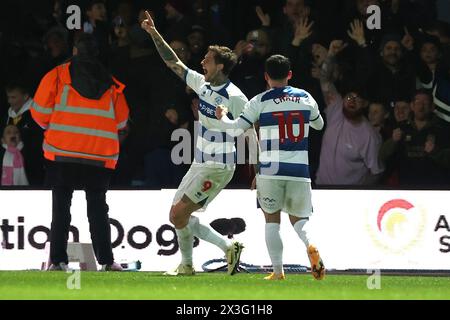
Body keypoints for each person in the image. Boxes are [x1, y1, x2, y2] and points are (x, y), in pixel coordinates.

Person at [141, 11, 249, 276]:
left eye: (208, 60)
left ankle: (220, 250)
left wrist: (258, 171)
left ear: (220, 66)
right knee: (177, 215)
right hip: (201, 162)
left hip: (219, 165)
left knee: (178, 214)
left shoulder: (236, 97)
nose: (202, 62)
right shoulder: (202, 84)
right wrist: (154, 33)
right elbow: (173, 63)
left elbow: (250, 130)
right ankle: (190, 264)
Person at [215, 54, 325, 281]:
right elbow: (319, 124)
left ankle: (277, 271)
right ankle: (310, 244)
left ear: (266, 77)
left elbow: (236, 129)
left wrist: (223, 117)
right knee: (300, 220)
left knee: (272, 221)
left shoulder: (259, 101)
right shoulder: (305, 97)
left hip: (270, 170)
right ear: (290, 75)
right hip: (299, 170)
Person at [30, 34, 129, 271]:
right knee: (98, 208)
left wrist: (56, 128)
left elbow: (39, 113)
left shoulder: (57, 75)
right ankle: (107, 261)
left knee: (61, 208)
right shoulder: (111, 83)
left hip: (61, 152)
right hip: (99, 156)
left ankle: (59, 261)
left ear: (75, 51)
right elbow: (122, 121)